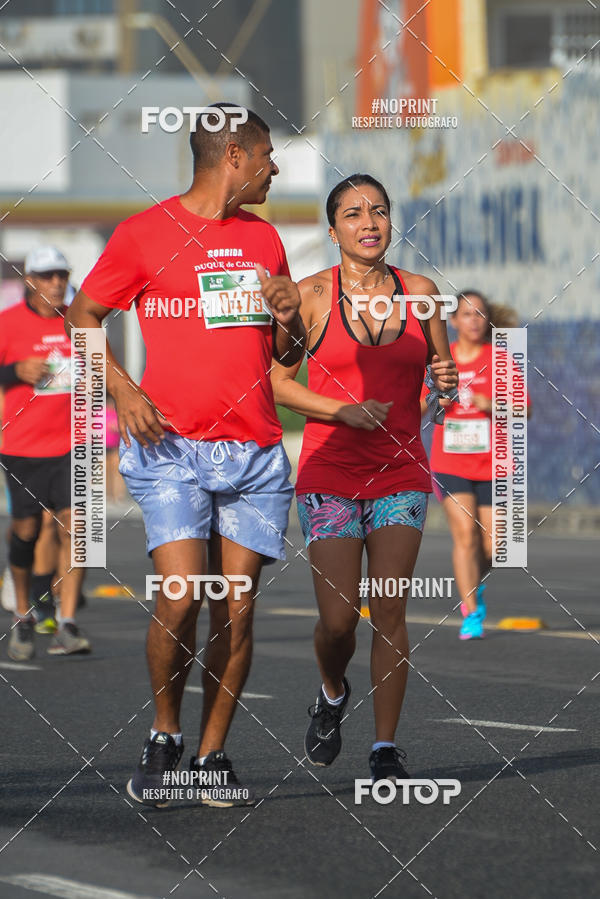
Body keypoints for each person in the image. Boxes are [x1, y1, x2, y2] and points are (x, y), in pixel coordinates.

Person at [65, 104, 306, 807]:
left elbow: (283, 353)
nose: (275, 166)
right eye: (266, 154)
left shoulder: (264, 242)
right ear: (234, 153)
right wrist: (123, 390)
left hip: (254, 452)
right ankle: (165, 734)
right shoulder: (143, 235)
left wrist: (289, 320)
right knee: (181, 596)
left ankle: (210, 755)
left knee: (236, 606)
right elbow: (82, 316)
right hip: (171, 447)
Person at [271, 173, 457, 784]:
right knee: (338, 620)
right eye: (352, 214)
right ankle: (330, 691)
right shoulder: (311, 295)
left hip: (402, 471)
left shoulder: (422, 294)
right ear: (333, 231)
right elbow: (276, 381)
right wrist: (341, 410)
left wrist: (445, 385)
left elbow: (439, 367)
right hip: (328, 473)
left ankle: (384, 747)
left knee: (391, 610)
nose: (368, 223)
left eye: (378, 211)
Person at [420, 290, 529, 639]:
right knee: (465, 537)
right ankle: (470, 611)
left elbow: (524, 409)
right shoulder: (441, 360)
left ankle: (474, 584)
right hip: (450, 462)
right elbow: (421, 407)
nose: (473, 321)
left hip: (495, 463)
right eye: (466, 315)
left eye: (479, 314)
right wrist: (437, 399)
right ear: (452, 321)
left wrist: (490, 402)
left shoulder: (499, 359)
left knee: (495, 546)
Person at [0, 246, 90, 659]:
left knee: (80, 531)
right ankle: (23, 613)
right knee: (27, 531)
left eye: (62, 274)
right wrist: (14, 371)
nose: (57, 282)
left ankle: (67, 622)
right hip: (21, 447)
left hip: (75, 442)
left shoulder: (80, 319)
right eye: (48, 275)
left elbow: (100, 371)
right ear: (30, 280)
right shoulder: (7, 324)